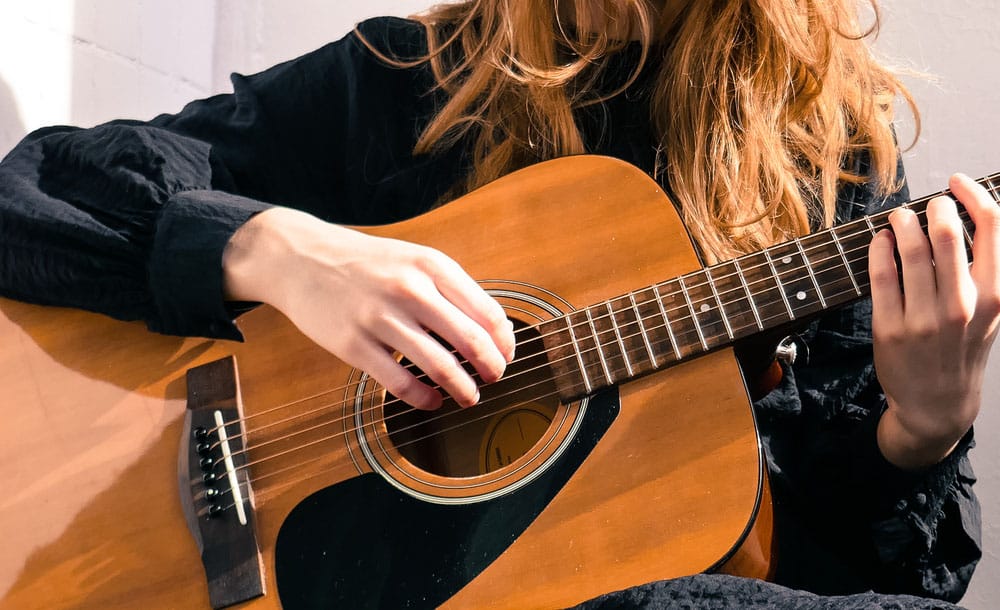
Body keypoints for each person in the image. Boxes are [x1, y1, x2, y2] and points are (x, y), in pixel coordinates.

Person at [0, 0, 996, 607]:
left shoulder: (829, 166)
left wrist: (921, 428)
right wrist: (280, 251)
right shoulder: (406, 83)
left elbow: (831, 577)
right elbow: (31, 200)